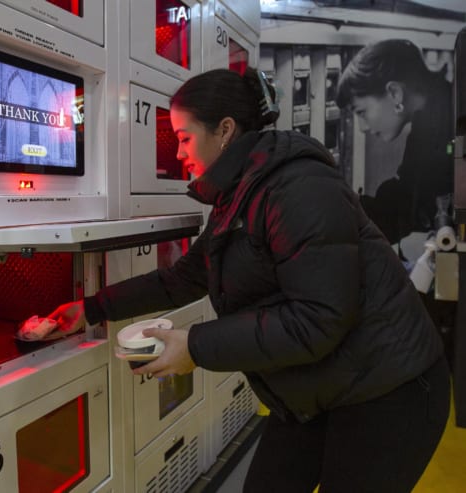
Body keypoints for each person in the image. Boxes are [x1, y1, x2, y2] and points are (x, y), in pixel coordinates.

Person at [47, 66, 450, 492]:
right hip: (315, 387)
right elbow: (183, 278)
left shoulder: (298, 187)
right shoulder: (240, 194)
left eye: (184, 138)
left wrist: (195, 346)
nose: (179, 153)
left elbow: (318, 319)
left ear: (224, 130)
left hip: (389, 391)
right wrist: (91, 308)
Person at [335, 38, 454, 246]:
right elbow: (405, 199)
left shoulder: (447, 124)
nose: (362, 127)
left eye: (361, 112)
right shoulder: (434, 116)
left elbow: (411, 210)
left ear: (394, 93)